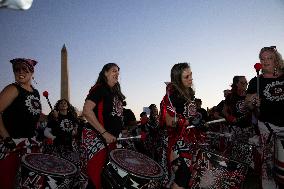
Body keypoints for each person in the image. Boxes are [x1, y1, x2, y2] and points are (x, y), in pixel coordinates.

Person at [159, 62, 205, 189]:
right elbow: (169, 121)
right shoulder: (171, 95)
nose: (191, 78)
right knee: (182, 175)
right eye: (186, 77)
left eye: (191, 75)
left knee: (189, 175)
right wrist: (188, 122)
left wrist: (197, 118)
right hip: (175, 140)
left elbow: (188, 114)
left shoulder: (189, 93)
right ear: (177, 79)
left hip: (189, 139)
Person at [81, 63, 125, 189]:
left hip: (111, 140)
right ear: (105, 73)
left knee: (108, 178)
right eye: (113, 71)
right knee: (96, 177)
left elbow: (114, 117)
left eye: (118, 72)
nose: (117, 74)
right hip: (97, 138)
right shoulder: (99, 88)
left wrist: (121, 131)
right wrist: (104, 133)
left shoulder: (115, 94)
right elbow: (87, 111)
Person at [245, 46, 284, 189]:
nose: (266, 61)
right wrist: (252, 102)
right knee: (267, 164)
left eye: (269, 58)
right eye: (262, 58)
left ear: (277, 60)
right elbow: (248, 104)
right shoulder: (256, 81)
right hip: (268, 126)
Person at [0, 58, 42, 189]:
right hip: (11, 145)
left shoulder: (36, 93)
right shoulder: (12, 89)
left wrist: (49, 117)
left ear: (32, 72)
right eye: (16, 69)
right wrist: (6, 137)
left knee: (28, 183)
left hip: (29, 145)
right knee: (8, 181)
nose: (20, 72)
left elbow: (33, 115)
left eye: (25, 69)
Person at [223, 76, 253, 142]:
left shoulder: (249, 95)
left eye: (246, 83)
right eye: (242, 83)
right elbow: (224, 111)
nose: (245, 85)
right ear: (236, 84)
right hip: (235, 128)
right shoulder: (230, 96)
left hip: (248, 127)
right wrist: (230, 117)